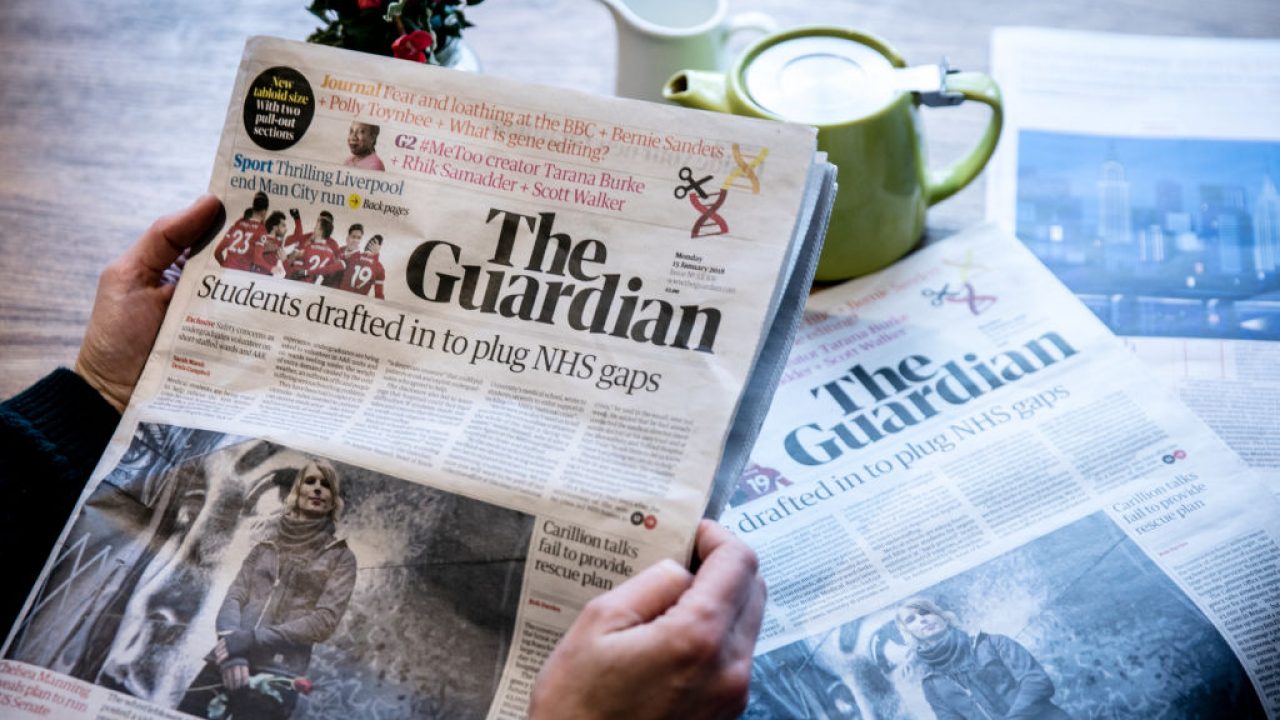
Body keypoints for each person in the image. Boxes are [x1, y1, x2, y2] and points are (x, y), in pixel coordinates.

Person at [1, 196, 765, 720]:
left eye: (318, 487)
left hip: (267, 668)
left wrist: (98, 396)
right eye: (303, 483)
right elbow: (232, 594)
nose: (309, 492)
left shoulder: (334, 559)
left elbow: (318, 616)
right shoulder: (260, 546)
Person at [177, 459, 357, 720]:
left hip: (278, 673)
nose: (318, 488)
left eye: (326, 485)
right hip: (227, 661)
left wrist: (251, 639)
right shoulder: (264, 547)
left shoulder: (341, 557)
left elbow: (323, 621)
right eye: (310, 482)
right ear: (295, 493)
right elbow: (235, 597)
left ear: (333, 502)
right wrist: (232, 650)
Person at [896, 597, 1073, 720]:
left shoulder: (994, 643)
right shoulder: (931, 683)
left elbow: (1038, 683)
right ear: (909, 633)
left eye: (925, 612)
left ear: (943, 617)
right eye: (911, 619)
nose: (922, 620)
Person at [213, 191, 269, 271]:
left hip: (226, 271)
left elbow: (217, 252)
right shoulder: (261, 229)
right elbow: (257, 259)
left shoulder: (239, 223)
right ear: (264, 211)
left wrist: (225, 266)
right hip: (242, 273)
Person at [339, 233, 387, 299]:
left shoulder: (379, 267)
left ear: (379, 247)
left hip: (347, 298)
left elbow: (379, 294)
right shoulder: (354, 255)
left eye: (373, 242)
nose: (370, 243)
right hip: (345, 297)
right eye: (370, 241)